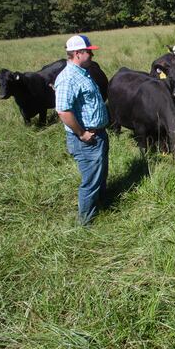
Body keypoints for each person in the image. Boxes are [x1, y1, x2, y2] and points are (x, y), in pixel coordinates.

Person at [55, 35, 109, 226]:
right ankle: (86, 222)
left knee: (100, 175)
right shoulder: (68, 78)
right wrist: (82, 133)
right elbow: (63, 110)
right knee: (90, 181)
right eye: (89, 51)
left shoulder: (82, 72)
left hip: (98, 134)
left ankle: (102, 207)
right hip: (86, 139)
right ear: (77, 53)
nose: (92, 54)